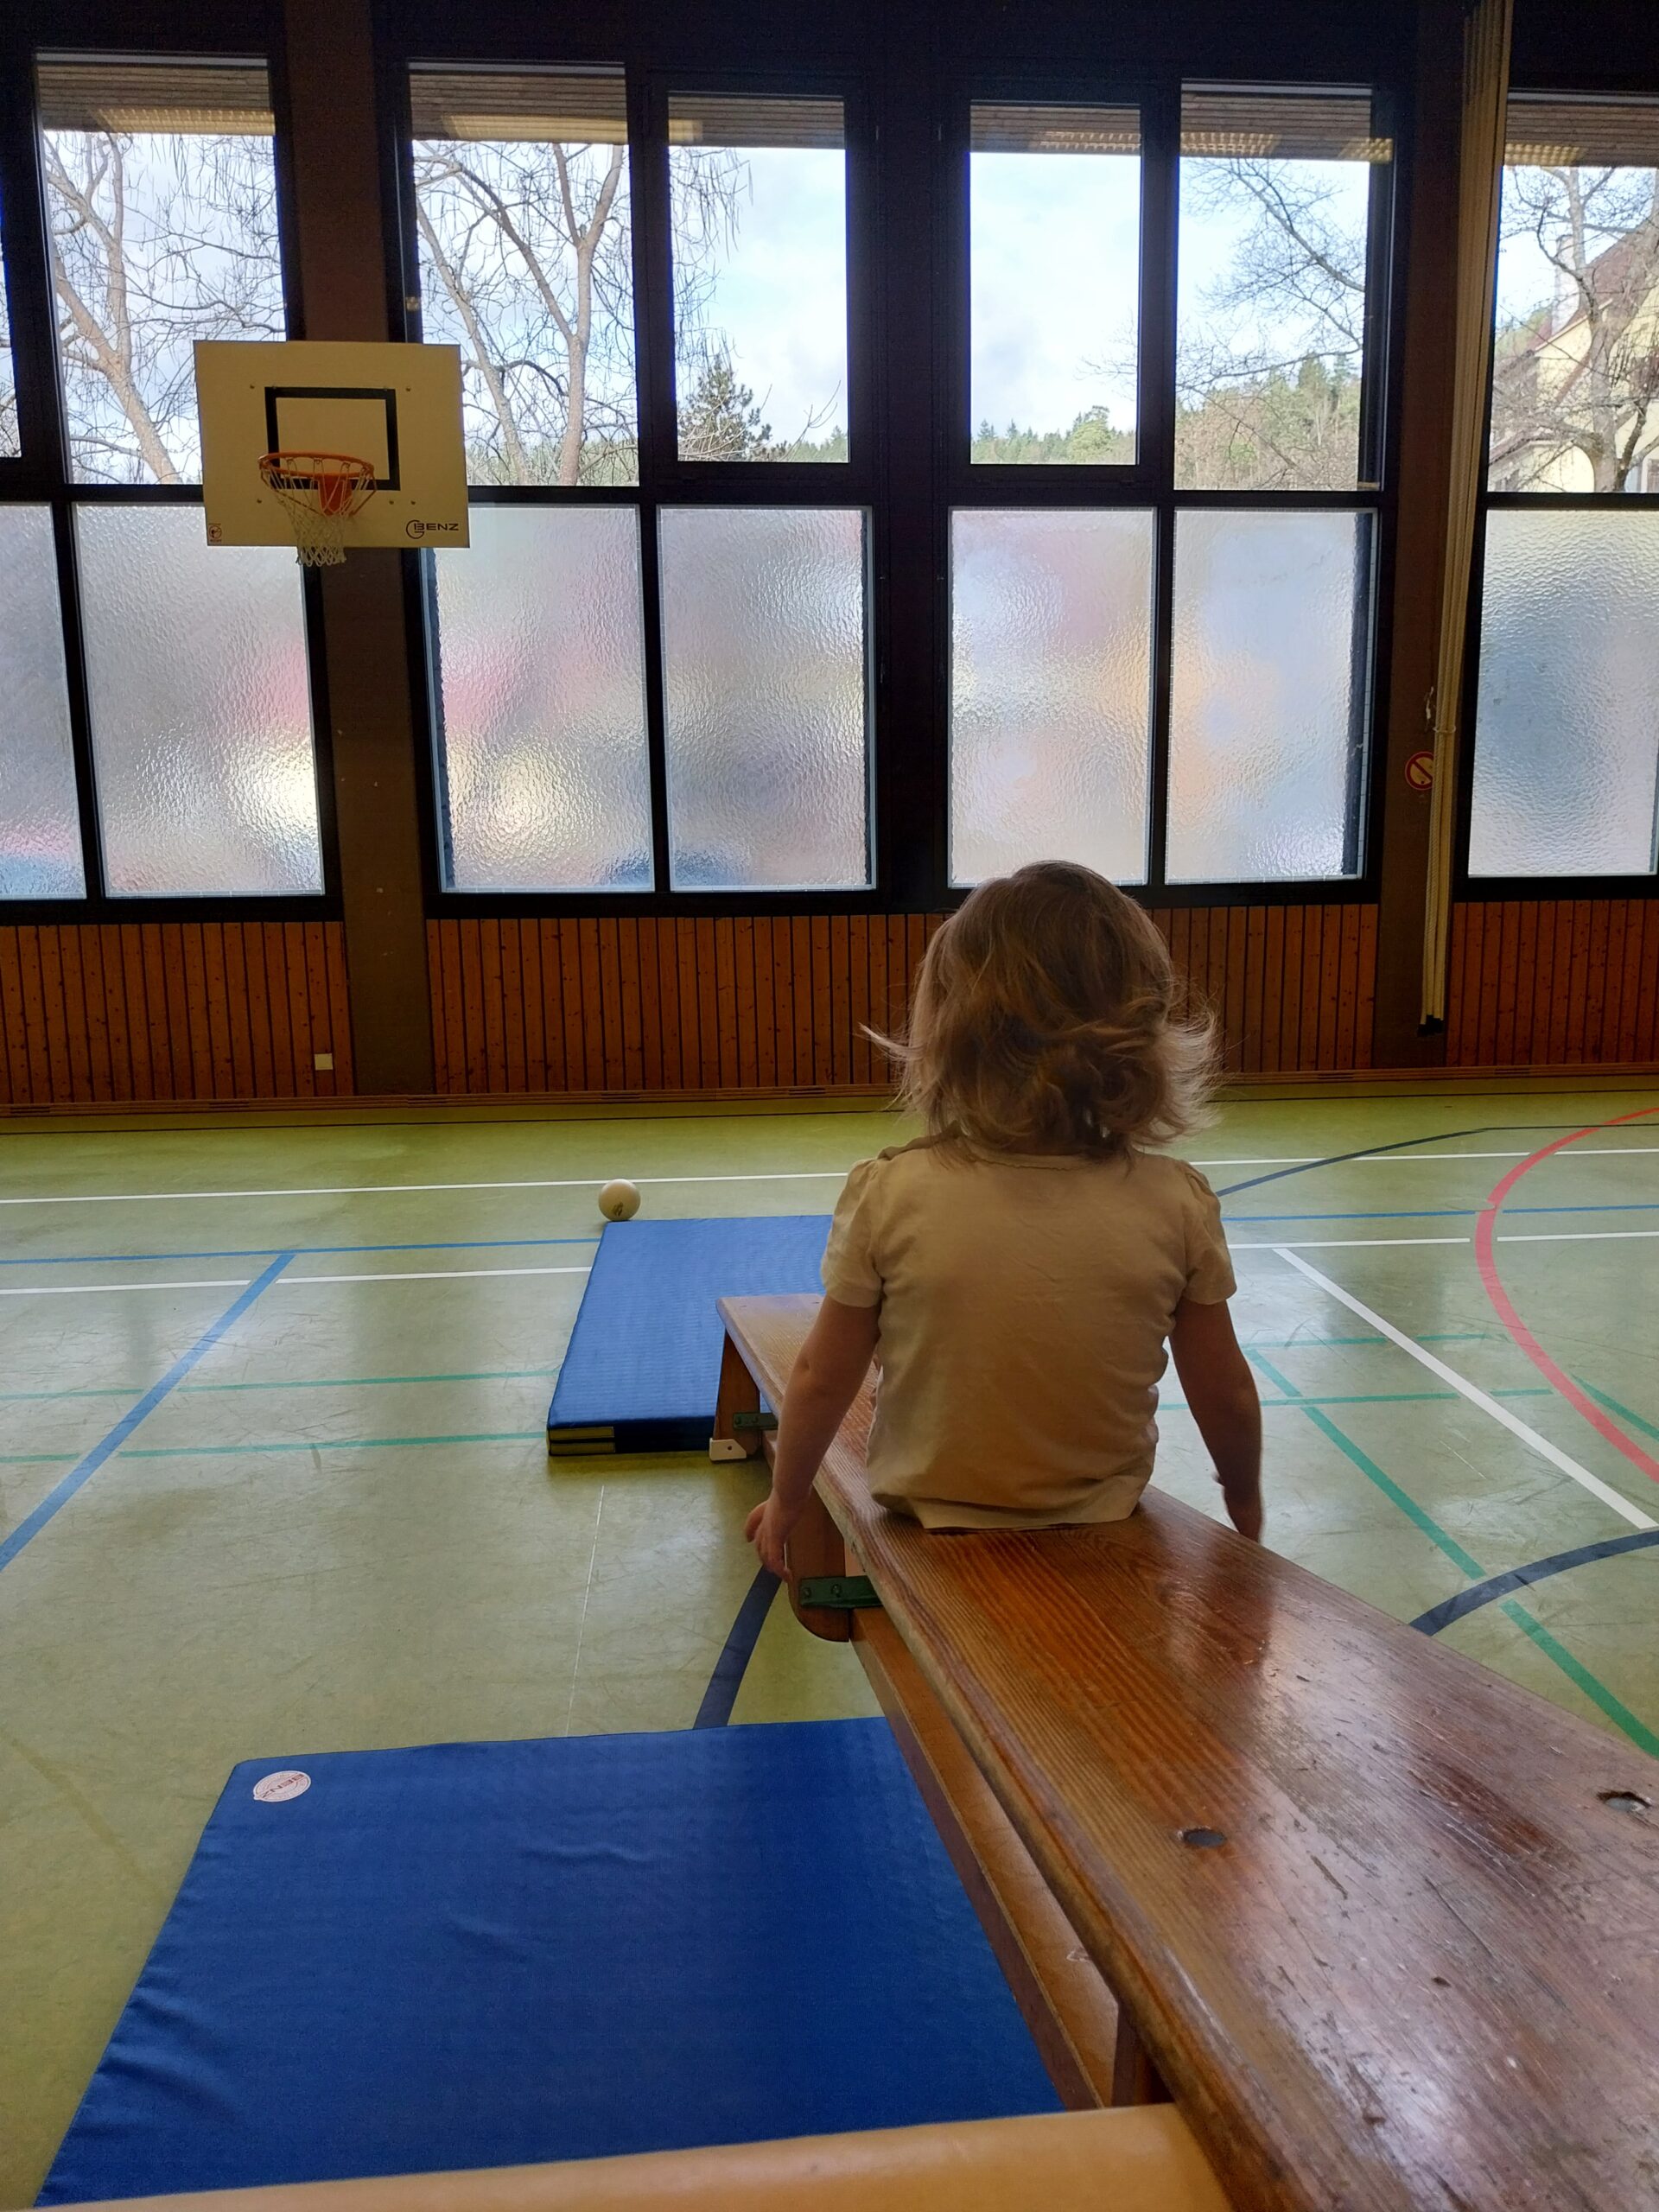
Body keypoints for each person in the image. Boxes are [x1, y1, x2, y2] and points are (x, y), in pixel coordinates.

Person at [744, 860, 1262, 1573]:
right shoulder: (1176, 1201)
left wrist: (787, 1498)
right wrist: (1243, 1494)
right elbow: (1225, 1389)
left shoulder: (893, 1191)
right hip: (1102, 1503)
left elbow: (821, 1376)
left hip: (927, 1503)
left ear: (950, 1032)